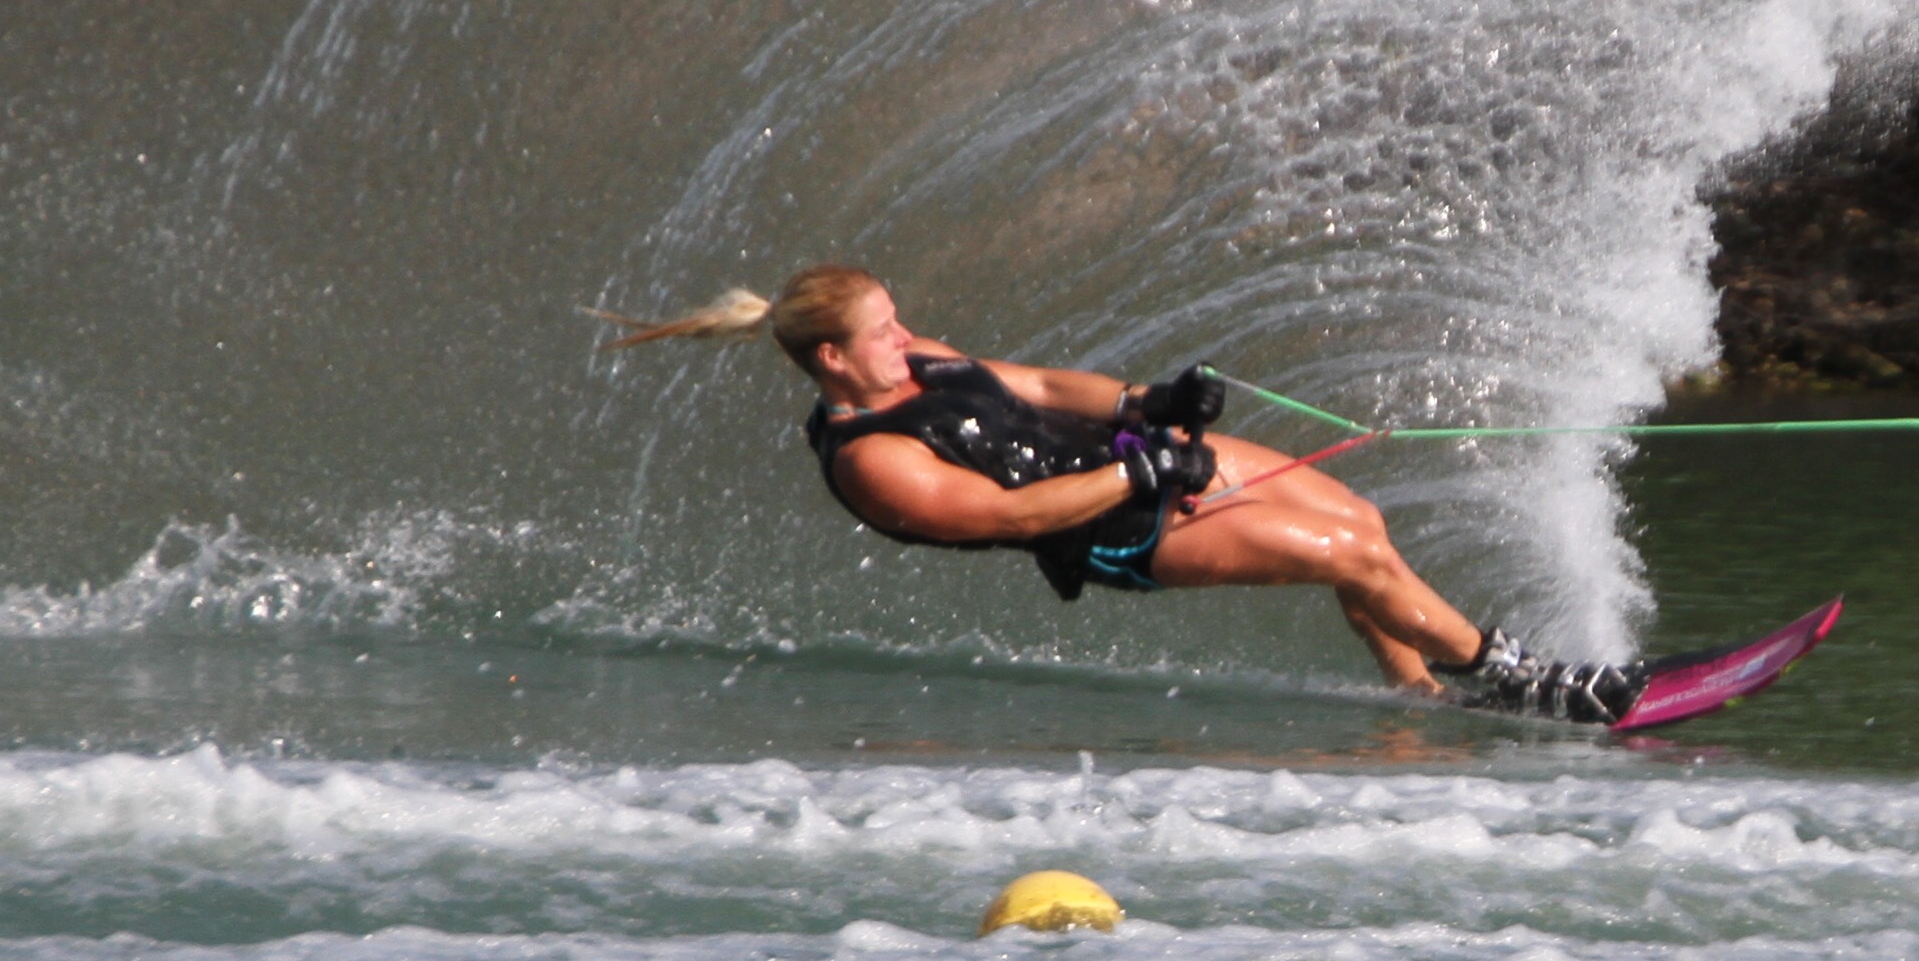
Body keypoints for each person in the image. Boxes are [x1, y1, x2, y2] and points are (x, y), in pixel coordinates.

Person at [599, 263, 1643, 717]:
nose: (906, 337)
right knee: (1350, 560)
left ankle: (1417, 698)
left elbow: (1050, 387)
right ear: (832, 361)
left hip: (1135, 463)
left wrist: (1148, 402)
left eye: (899, 318)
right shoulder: (871, 463)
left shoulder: (918, 360)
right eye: (882, 332)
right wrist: (1139, 469)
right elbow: (1010, 515)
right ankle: (1532, 685)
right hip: (1108, 532)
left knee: (1360, 522)